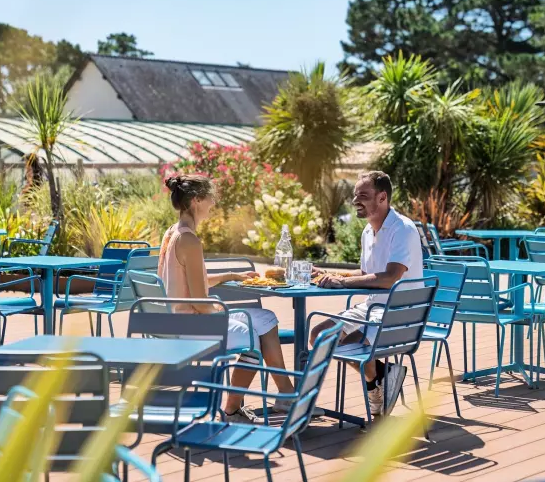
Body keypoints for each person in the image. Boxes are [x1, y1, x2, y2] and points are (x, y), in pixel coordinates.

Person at [159, 174, 311, 423]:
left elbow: (189, 282)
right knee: (252, 338)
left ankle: (285, 394)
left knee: (266, 319)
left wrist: (231, 275)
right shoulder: (189, 240)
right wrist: (221, 312)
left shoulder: (173, 233)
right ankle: (231, 410)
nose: (213, 204)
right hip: (193, 325)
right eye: (210, 198)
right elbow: (199, 303)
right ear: (196, 200)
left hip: (179, 320)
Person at [310, 171, 423, 416]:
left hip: (400, 312)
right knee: (320, 336)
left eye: (363, 195)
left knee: (349, 345)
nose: (355, 201)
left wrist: (342, 282)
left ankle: (375, 389)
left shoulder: (402, 229)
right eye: (355, 195)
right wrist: (329, 274)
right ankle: (381, 375)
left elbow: (390, 277)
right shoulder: (367, 232)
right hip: (373, 308)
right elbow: (365, 273)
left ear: (382, 197)